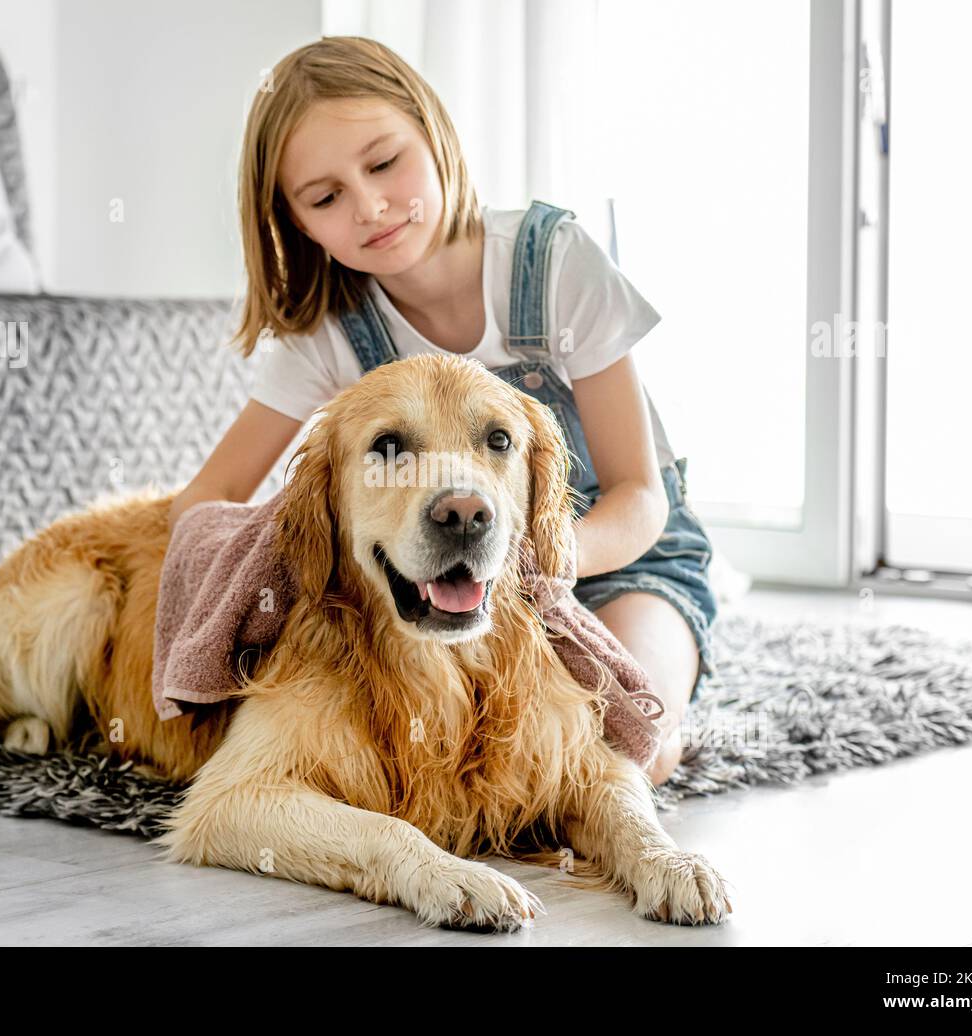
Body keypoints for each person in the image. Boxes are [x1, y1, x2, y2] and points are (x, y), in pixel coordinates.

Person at [168, 36, 717, 786]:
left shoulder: (554, 265)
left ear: (434, 132)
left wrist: (542, 564)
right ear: (295, 223)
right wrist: (276, 565)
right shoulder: (331, 332)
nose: (371, 207)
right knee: (418, 761)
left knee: (634, 751)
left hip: (610, 562)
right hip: (434, 580)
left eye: (385, 162)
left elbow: (641, 497)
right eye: (326, 198)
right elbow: (207, 499)